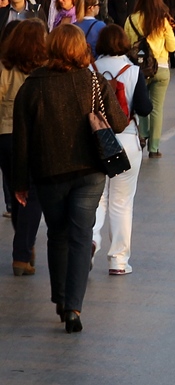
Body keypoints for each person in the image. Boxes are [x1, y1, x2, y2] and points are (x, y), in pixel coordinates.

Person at [11, 24, 129, 333]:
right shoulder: (93, 81)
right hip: (89, 171)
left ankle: (61, 298)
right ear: (81, 49)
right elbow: (118, 122)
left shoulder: (32, 85)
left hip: (49, 173)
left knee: (57, 234)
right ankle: (74, 307)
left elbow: (21, 138)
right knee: (81, 235)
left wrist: (20, 183)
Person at [92, 24, 153, 276]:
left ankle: (91, 240)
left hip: (96, 139)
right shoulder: (133, 71)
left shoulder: (91, 69)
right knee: (122, 202)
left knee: (96, 198)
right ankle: (118, 260)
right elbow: (145, 108)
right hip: (126, 138)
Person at [0, 20, 48, 276]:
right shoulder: (42, 68)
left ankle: (25, 248)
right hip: (32, 136)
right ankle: (22, 251)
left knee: (15, 189)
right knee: (32, 192)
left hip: (4, 133)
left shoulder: (4, 65)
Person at [127, 0, 175, 159]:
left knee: (140, 103)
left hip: (138, 69)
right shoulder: (162, 20)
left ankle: (143, 133)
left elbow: (126, 44)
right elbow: (172, 46)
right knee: (157, 108)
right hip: (160, 68)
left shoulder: (131, 19)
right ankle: (154, 147)